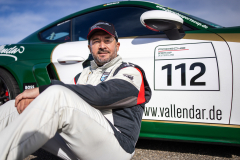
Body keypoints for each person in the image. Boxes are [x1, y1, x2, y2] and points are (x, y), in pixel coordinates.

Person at [0, 21, 151, 160]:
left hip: (117, 147)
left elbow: (101, 95)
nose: (102, 45)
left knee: (56, 94)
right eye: (96, 41)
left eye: (107, 40)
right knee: (15, 106)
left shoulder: (131, 71)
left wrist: (40, 90)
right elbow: (67, 104)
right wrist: (34, 102)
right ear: (89, 47)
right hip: (81, 144)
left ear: (117, 46)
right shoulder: (83, 74)